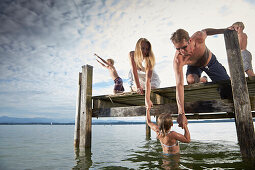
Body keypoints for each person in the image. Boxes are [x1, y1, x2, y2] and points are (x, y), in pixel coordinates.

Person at [170, 28, 230, 128]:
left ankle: (218, 73)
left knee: (227, 86)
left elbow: (206, 31)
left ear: (189, 40)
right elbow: (179, 85)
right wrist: (181, 113)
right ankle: (203, 79)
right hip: (194, 66)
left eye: (184, 47)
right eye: (178, 49)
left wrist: (225, 30)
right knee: (191, 80)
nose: (181, 51)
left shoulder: (198, 37)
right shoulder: (178, 59)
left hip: (210, 62)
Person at [128, 38, 160, 109]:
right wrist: (138, 87)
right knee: (138, 89)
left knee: (150, 90)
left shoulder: (149, 59)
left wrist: (147, 99)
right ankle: (134, 87)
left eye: (147, 49)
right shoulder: (132, 54)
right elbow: (134, 72)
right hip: (139, 77)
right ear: (138, 48)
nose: (145, 51)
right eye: (142, 48)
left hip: (150, 78)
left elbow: (148, 79)